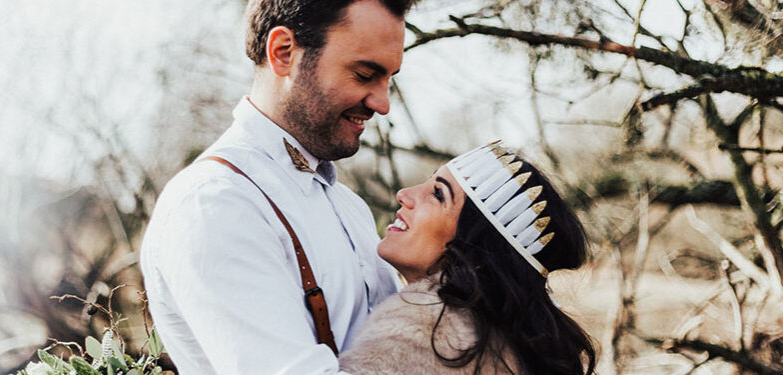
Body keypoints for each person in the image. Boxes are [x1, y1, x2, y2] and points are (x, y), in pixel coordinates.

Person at [139, 0, 417, 373]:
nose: (382, 104)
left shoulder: (350, 206)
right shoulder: (217, 203)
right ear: (284, 52)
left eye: (390, 79)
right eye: (365, 75)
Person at [340, 143, 598, 374]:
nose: (404, 194)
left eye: (438, 194)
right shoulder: (510, 338)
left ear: (475, 246)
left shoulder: (426, 329)